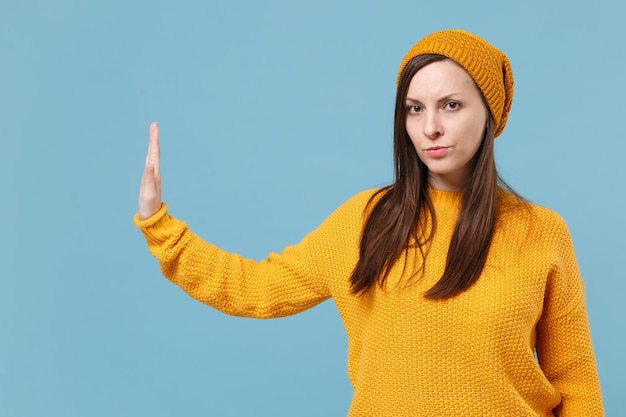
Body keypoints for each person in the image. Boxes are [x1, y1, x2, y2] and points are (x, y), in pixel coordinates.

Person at [135, 29, 604, 416]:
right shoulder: (365, 221)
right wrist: (160, 225)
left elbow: (575, 382)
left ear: (490, 113)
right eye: (414, 108)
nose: (430, 128)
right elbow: (255, 287)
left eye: (452, 105)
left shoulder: (541, 231)